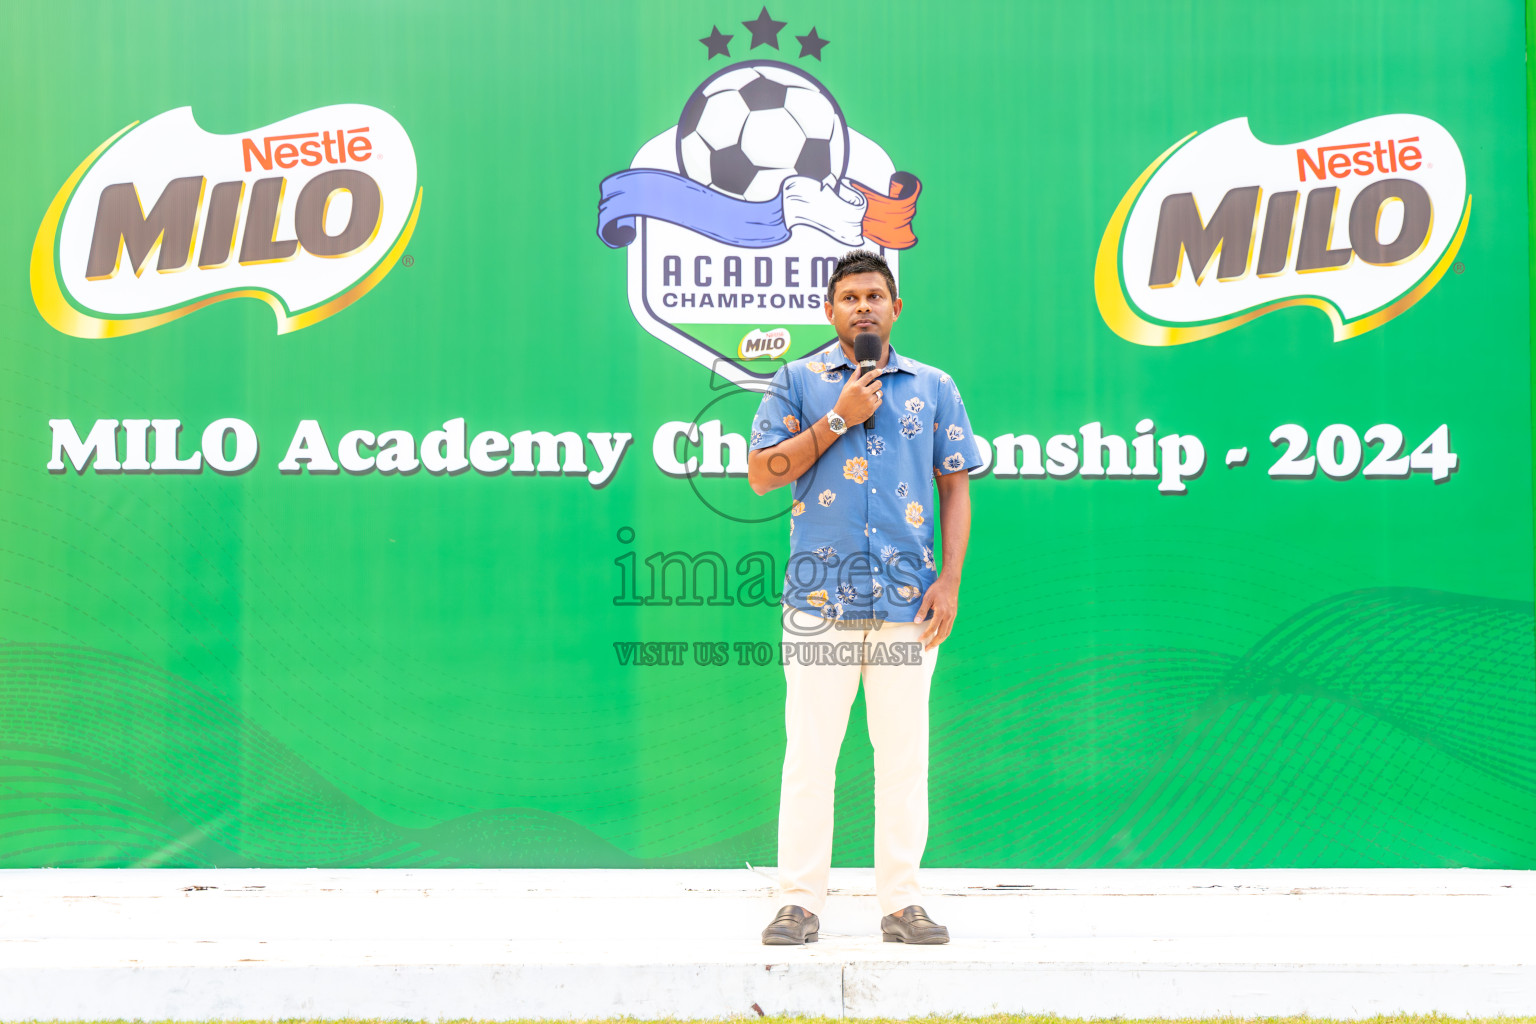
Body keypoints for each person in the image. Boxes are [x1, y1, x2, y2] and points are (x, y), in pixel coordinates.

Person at [745, 249, 979, 945]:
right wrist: (840, 417)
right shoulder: (795, 382)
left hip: (910, 606)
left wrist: (951, 582)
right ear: (830, 309)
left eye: (875, 295)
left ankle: (900, 902)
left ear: (895, 307)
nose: (863, 308)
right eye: (849, 297)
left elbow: (956, 485)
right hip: (820, 607)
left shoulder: (933, 387)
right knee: (811, 756)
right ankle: (799, 903)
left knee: (903, 758)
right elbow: (762, 474)